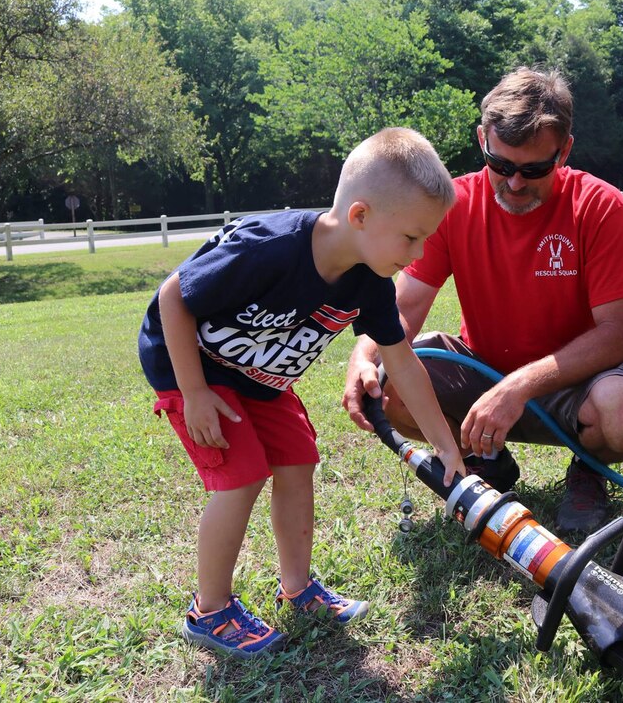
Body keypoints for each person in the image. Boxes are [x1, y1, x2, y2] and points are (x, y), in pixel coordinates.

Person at [138, 127, 466, 659]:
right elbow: (174, 296)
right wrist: (194, 393)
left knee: (297, 460)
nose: (420, 251)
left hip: (260, 379)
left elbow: (401, 360)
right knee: (241, 476)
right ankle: (210, 610)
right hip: (192, 368)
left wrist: (445, 445)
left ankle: (298, 589)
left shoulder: (369, 280)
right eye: (411, 237)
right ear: (360, 215)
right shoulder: (269, 248)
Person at [343, 67, 623, 535]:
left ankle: (588, 468)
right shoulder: (453, 204)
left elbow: (621, 336)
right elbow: (405, 308)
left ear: (565, 151)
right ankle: (485, 464)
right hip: (482, 372)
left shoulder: (601, 207)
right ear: (483, 139)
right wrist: (364, 355)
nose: (515, 184)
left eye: (535, 169)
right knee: (392, 385)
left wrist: (517, 388)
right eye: (500, 165)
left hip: (578, 385)